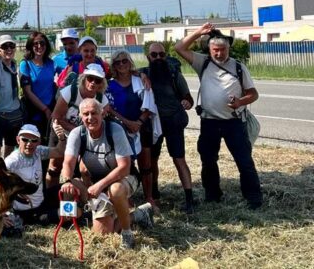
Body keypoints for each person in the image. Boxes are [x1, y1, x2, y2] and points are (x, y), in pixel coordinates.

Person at [174, 23, 262, 209]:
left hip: (234, 122)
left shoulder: (239, 67)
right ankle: (212, 195)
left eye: (223, 50)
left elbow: (253, 94)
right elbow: (179, 48)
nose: (219, 53)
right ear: (209, 49)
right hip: (209, 122)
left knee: (244, 161)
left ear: (228, 48)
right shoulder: (202, 62)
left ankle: (253, 198)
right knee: (208, 160)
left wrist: (239, 102)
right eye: (215, 50)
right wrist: (198, 32)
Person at [60, 98, 153, 250]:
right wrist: (67, 182)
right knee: (67, 187)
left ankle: (127, 233)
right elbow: (68, 163)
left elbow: (125, 167)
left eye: (94, 113)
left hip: (123, 179)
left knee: (115, 190)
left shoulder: (115, 130)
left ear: (102, 113)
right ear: (80, 116)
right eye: (86, 114)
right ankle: (69, 221)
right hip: (95, 185)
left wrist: (100, 186)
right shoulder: (77, 133)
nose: (90, 118)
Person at [140, 42, 195, 213]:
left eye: (161, 54)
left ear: (166, 55)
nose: (158, 58)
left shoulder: (174, 73)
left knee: (179, 159)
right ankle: (154, 194)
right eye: (154, 55)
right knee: (152, 161)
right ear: (148, 57)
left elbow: (188, 97)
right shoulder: (144, 72)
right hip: (153, 124)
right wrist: (140, 75)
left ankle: (189, 199)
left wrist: (187, 102)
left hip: (173, 122)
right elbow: (124, 71)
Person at [106, 50, 158, 207]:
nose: (122, 64)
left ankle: (148, 197)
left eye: (124, 61)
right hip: (120, 128)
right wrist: (127, 122)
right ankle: (126, 197)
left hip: (142, 126)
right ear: (113, 65)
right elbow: (109, 108)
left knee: (146, 165)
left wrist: (139, 123)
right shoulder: (109, 85)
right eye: (117, 62)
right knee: (124, 164)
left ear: (130, 62)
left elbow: (149, 103)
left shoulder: (141, 81)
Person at [46, 63, 110, 187]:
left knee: (84, 170)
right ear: (83, 78)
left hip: (83, 136)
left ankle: (84, 199)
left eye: (97, 80)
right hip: (61, 131)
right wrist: (76, 130)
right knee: (54, 167)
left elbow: (99, 123)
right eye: (90, 78)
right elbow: (56, 117)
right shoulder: (69, 93)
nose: (93, 83)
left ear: (102, 83)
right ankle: (51, 197)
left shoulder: (102, 100)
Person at [4, 124, 61, 227]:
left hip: (42, 202)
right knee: (71, 214)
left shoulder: (39, 151)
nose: (29, 144)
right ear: (18, 140)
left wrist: (62, 138)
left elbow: (60, 151)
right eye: (25, 140)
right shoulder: (11, 161)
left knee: (72, 185)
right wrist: (0, 216)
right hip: (26, 213)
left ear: (38, 142)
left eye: (33, 140)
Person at [0, 34, 24, 180]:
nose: (8, 49)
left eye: (11, 46)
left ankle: (3, 188)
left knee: (9, 159)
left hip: (14, 117)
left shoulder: (15, 66)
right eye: (4, 46)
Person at [20, 31, 57, 143]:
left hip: (50, 111)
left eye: (42, 43)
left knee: (48, 146)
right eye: (35, 44)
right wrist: (44, 109)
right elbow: (27, 92)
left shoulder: (51, 63)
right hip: (33, 113)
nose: (39, 46)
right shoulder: (25, 64)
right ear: (30, 46)